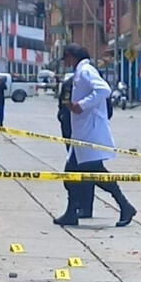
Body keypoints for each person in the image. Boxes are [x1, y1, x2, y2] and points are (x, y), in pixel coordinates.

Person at [53, 44, 136, 228]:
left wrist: (81, 105)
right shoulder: (79, 72)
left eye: (66, 59)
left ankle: (125, 205)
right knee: (72, 174)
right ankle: (71, 211)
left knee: (96, 173)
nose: (66, 63)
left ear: (72, 56)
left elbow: (103, 90)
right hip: (81, 134)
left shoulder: (86, 71)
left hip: (90, 133)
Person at [57, 71, 95, 219]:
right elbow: (63, 109)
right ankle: (76, 207)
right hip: (75, 134)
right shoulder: (71, 83)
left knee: (89, 172)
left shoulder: (88, 86)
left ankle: (80, 207)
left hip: (85, 135)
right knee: (79, 171)